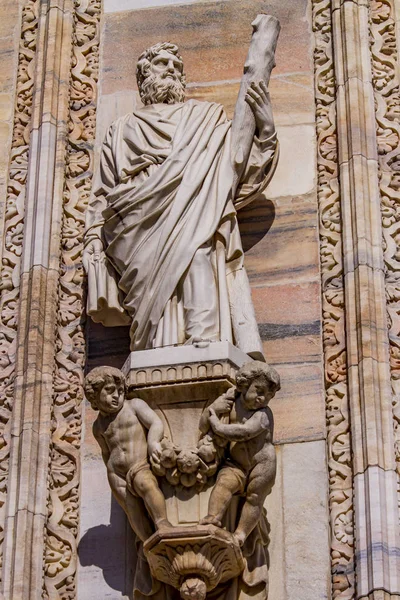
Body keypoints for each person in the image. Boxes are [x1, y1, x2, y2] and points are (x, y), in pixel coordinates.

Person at [83, 42, 278, 357]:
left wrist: (266, 128)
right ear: (145, 74)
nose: (171, 69)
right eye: (162, 63)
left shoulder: (205, 118)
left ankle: (203, 339)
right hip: (136, 228)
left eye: (177, 66)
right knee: (153, 304)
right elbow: (102, 192)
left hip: (194, 212)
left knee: (197, 251)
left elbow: (236, 170)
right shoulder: (119, 131)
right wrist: (93, 237)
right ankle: (155, 347)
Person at [84, 366, 171, 542]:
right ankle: (147, 542)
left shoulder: (134, 406)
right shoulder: (98, 426)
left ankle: (163, 524)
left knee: (147, 486)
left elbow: (155, 423)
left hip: (139, 463)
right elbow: (106, 452)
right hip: (116, 473)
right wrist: (111, 470)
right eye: (109, 391)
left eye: (120, 391)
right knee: (132, 508)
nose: (116, 395)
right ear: (94, 396)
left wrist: (153, 442)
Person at [199, 361, 280, 546]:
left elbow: (244, 432)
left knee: (254, 498)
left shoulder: (263, 414)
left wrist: (218, 427)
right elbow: (204, 423)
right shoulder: (230, 401)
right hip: (236, 463)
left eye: (269, 395)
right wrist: (212, 414)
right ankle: (212, 518)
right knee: (224, 484)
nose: (263, 399)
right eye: (259, 390)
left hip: (262, 465)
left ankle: (241, 534)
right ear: (245, 384)